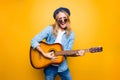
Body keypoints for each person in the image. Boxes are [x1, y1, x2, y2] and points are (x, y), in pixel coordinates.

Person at [31, 7, 85, 80]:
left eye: (65, 18)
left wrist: (76, 54)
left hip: (63, 67)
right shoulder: (49, 29)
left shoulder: (71, 34)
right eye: (60, 19)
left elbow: (68, 52)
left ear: (68, 19)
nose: (62, 21)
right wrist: (44, 54)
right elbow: (34, 41)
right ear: (57, 20)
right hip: (49, 67)